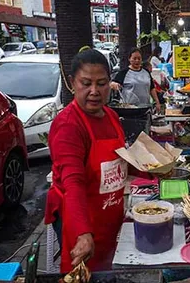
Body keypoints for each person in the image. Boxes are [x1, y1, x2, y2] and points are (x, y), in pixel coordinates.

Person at [44, 47, 128, 272]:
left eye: (101, 84)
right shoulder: (68, 125)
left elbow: (121, 160)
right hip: (81, 216)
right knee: (85, 273)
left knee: (108, 269)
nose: (94, 91)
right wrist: (82, 232)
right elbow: (73, 183)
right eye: (86, 83)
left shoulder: (110, 116)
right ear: (72, 83)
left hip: (109, 210)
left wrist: (154, 171)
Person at [110, 47, 161, 112]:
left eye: (139, 58)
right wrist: (114, 84)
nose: (137, 60)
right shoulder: (123, 73)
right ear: (129, 59)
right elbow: (111, 84)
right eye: (134, 58)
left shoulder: (146, 72)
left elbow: (152, 88)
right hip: (129, 109)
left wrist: (157, 102)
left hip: (145, 108)